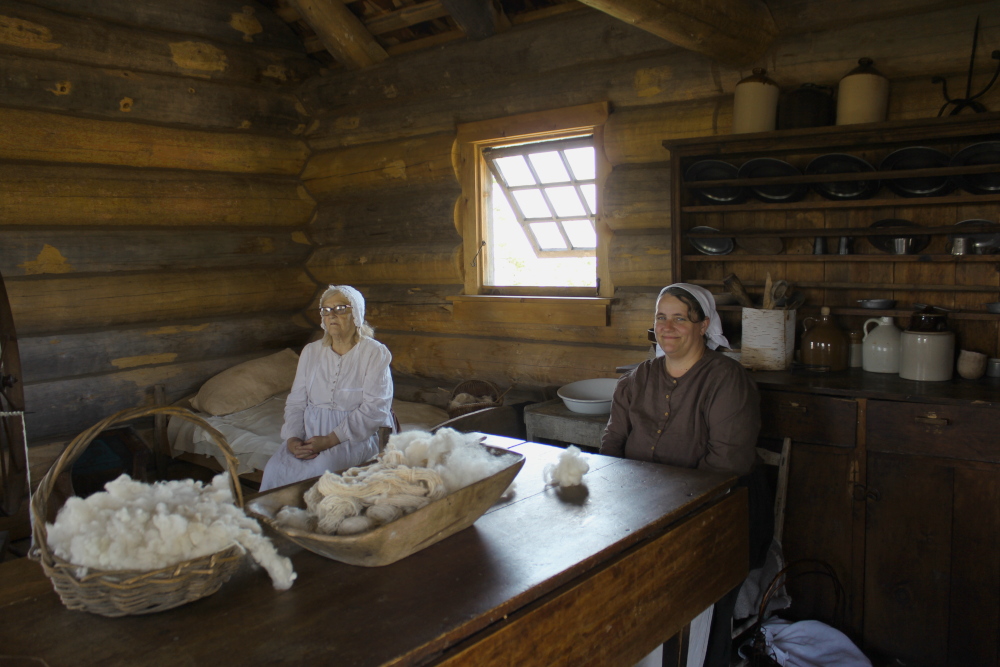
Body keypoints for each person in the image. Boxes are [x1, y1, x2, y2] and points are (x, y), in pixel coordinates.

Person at [601, 282, 770, 667]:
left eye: (681, 318)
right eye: (662, 317)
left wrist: (666, 517)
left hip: (719, 514)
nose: (668, 326)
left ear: (703, 325)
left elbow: (726, 467)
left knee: (692, 589)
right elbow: (612, 442)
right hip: (642, 508)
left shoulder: (727, 380)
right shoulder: (638, 379)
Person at [259, 285, 394, 492]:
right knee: (275, 468)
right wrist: (293, 438)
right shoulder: (311, 351)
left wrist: (330, 440)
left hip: (353, 436)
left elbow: (375, 408)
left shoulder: (374, 352)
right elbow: (296, 401)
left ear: (356, 313)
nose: (332, 315)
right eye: (326, 309)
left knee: (323, 470)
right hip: (309, 431)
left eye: (340, 308)